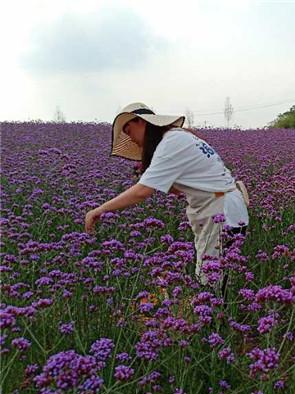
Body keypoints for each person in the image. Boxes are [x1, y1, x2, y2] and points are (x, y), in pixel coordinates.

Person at [84, 102, 249, 295]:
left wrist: (98, 210)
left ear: (142, 122)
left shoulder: (170, 142)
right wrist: (151, 175)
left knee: (210, 283)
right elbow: (182, 189)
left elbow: (142, 192)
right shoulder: (180, 137)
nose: (132, 139)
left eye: (129, 131)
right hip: (229, 208)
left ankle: (211, 323)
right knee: (221, 279)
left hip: (220, 213)